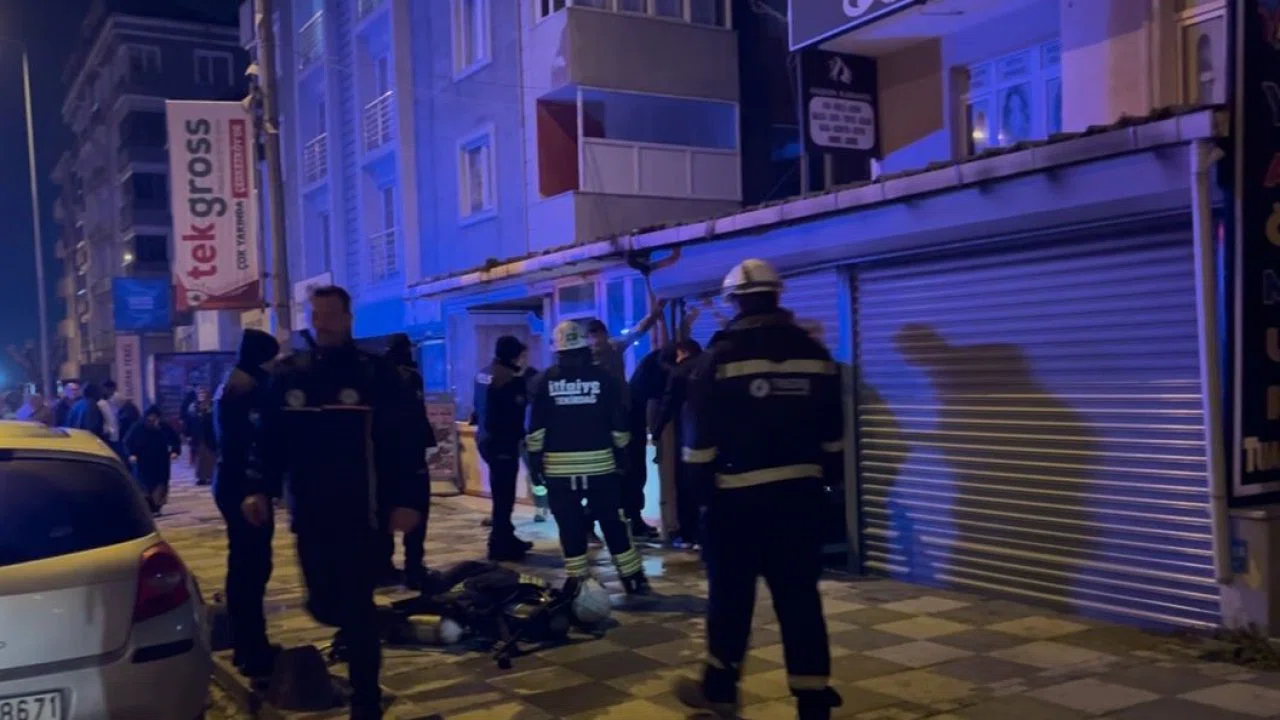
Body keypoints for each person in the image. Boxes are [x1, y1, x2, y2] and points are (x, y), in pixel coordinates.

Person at [674, 259, 844, 720]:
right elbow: (834, 437)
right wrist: (823, 485)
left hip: (736, 505)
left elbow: (698, 446)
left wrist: (701, 505)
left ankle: (720, 690)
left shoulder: (718, 359)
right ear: (777, 296)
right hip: (801, 502)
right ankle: (813, 698)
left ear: (734, 302)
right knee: (800, 599)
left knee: (730, 600)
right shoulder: (815, 354)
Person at [252, 285, 425, 720]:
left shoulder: (374, 375)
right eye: (317, 315)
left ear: (348, 319)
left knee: (357, 607)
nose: (323, 323)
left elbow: (403, 444)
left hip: (363, 514)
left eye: (331, 315)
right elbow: (269, 441)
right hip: (310, 514)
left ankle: (366, 701)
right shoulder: (291, 375)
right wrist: (258, 489)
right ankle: (363, 627)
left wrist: (407, 500)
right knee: (323, 603)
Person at [525, 320, 651, 596]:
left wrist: (535, 465)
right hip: (601, 467)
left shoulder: (543, 381)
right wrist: (622, 455)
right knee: (613, 523)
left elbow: (535, 429)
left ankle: (578, 584)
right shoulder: (604, 379)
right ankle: (632, 579)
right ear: (584, 347)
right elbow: (619, 425)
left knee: (570, 526)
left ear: (557, 350)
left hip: (558, 470)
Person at [213, 328, 282, 682]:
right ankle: (253, 650)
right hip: (244, 491)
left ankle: (247, 644)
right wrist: (254, 490)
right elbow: (249, 443)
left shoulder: (234, 384)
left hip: (234, 486)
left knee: (246, 566)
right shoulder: (247, 391)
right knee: (251, 569)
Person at [472, 335, 536, 562]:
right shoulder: (507, 380)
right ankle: (499, 544)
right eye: (520, 355)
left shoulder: (484, 373)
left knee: (501, 494)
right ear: (512, 356)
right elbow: (515, 409)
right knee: (504, 497)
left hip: (486, 440)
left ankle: (506, 536)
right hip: (502, 443)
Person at [382, 333, 436, 590]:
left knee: (387, 513)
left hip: (388, 458)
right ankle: (413, 568)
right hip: (408, 457)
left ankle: (386, 568)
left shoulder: (384, 376)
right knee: (416, 512)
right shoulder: (406, 378)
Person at [655, 338, 704, 549]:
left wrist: (656, 431)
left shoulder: (680, 371)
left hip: (687, 436)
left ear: (682, 351)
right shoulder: (711, 366)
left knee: (685, 486)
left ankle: (687, 536)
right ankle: (705, 534)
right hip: (714, 436)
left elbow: (668, 404)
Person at [124, 405, 182, 514]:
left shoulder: (164, 427)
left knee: (161, 484)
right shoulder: (138, 427)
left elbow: (174, 439)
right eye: (150, 417)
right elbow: (128, 442)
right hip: (143, 460)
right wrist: (131, 454)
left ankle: (157, 506)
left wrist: (175, 451)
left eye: (155, 417)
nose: (152, 419)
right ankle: (147, 506)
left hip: (161, 460)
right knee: (144, 485)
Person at [190, 388, 217, 485]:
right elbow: (191, 421)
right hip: (198, 435)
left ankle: (211, 477)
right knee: (200, 458)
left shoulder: (212, 406)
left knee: (211, 457)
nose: (201, 396)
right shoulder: (194, 406)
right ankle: (201, 477)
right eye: (200, 394)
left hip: (210, 435)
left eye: (203, 394)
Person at [100, 380, 121, 454]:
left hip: (115, 437)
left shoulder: (112, 402)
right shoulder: (100, 403)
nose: (113, 392)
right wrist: (106, 431)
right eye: (111, 390)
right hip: (106, 437)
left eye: (114, 390)